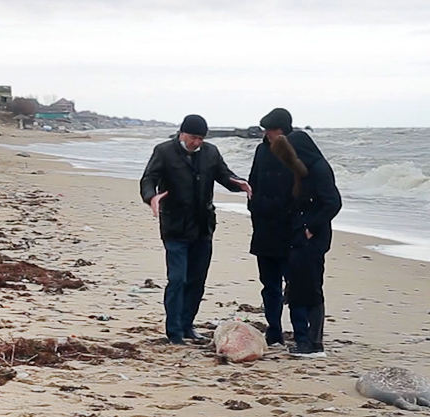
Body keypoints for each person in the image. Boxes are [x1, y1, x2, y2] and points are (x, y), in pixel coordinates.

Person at [140, 114, 252, 345]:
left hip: (203, 227)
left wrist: (239, 183)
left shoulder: (211, 152)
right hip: (175, 227)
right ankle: (174, 332)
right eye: (193, 138)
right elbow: (148, 179)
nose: (197, 143)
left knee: (197, 280)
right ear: (182, 134)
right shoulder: (164, 151)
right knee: (178, 279)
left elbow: (224, 175)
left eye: (201, 138)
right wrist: (151, 197)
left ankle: (187, 325)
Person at [262, 112, 341, 358]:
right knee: (297, 287)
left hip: (313, 238)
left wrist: (310, 227)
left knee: (311, 288)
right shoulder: (302, 169)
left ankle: (314, 344)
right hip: (299, 236)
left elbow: (333, 203)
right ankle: (305, 341)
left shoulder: (319, 169)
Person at [247, 108, 307, 347]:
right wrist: (255, 210)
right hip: (263, 229)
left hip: (290, 230)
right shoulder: (261, 149)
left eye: (271, 129)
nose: (267, 134)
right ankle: (274, 331)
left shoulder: (298, 149)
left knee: (296, 286)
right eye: (266, 130)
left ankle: (302, 335)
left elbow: (307, 184)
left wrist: (302, 222)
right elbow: (253, 183)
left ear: (283, 129)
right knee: (269, 285)